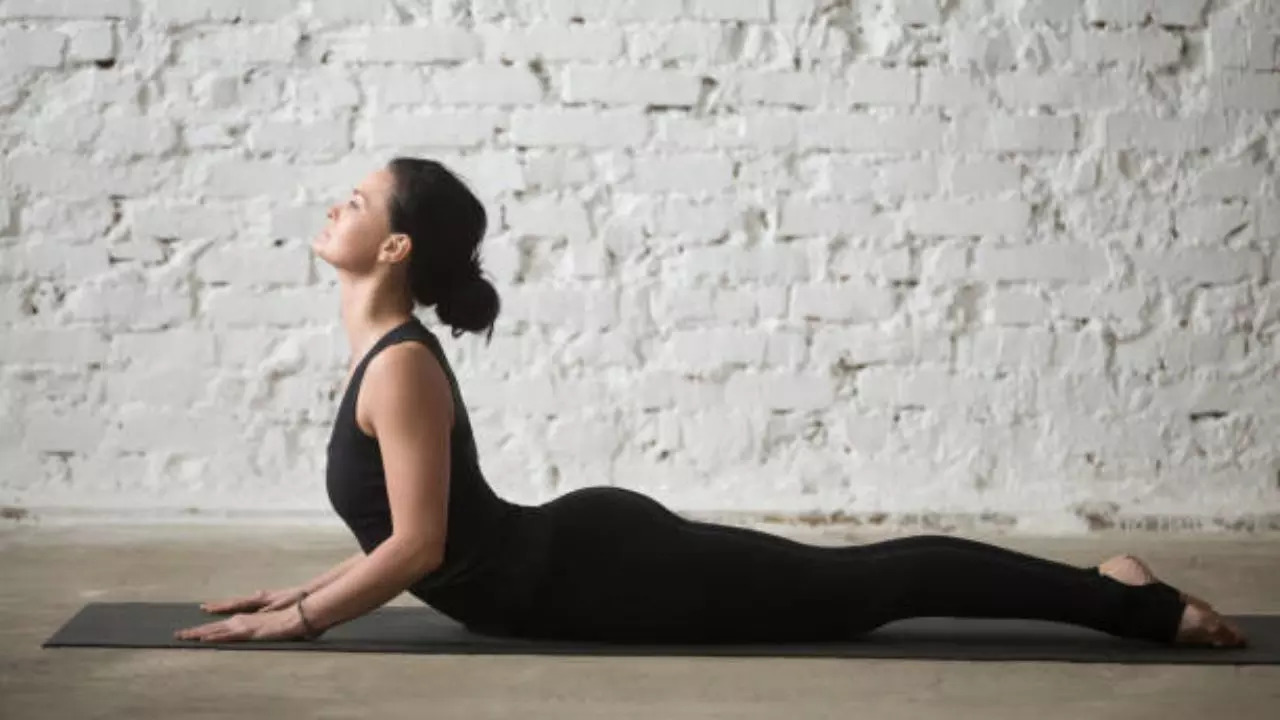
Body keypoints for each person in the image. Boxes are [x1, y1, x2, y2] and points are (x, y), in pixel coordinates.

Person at [174, 158, 1247, 648]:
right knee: (855, 589)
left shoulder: (401, 364)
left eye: (355, 200)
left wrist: (305, 623)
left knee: (862, 588)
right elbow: (404, 531)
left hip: (592, 573)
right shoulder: (380, 355)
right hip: (566, 569)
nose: (334, 202)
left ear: (395, 245)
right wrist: (288, 595)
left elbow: (416, 546)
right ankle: (1109, 590)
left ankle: (1128, 604)